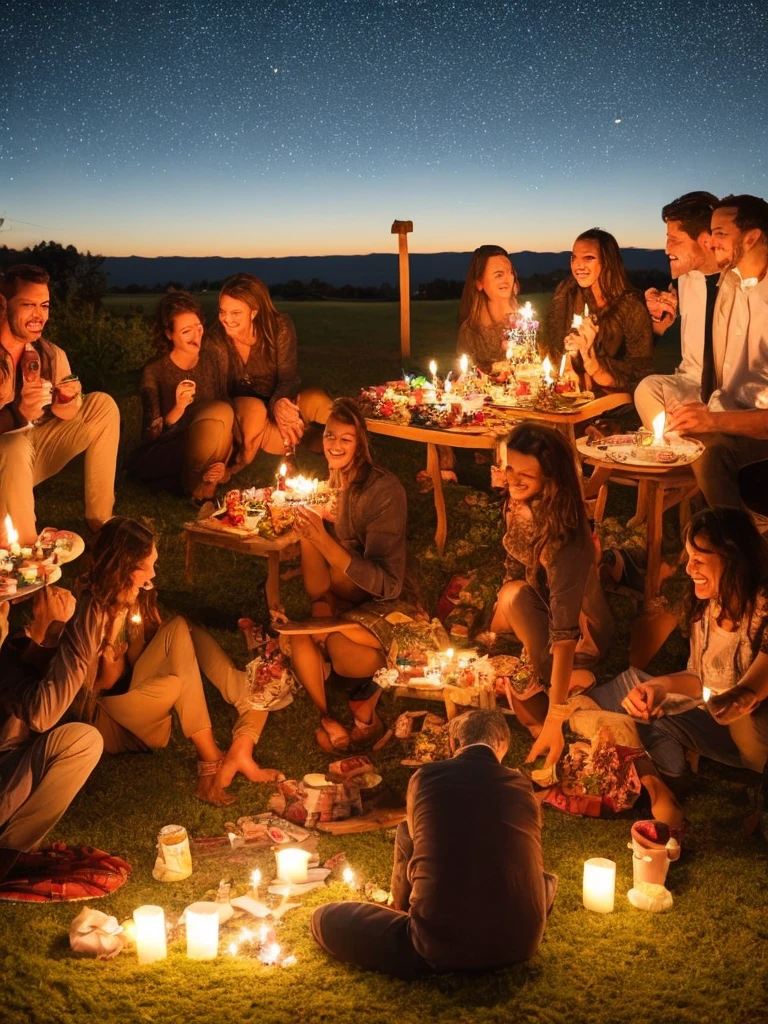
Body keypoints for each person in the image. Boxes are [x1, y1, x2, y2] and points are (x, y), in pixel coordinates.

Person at [311, 709, 556, 979]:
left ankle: (401, 908)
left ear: (453, 744)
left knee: (325, 918)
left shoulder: (426, 777)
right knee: (544, 879)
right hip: (522, 942)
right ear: (503, 746)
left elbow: (414, 839)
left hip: (439, 947)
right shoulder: (522, 785)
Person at [581, 507, 768, 829]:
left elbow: (751, 690)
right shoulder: (709, 605)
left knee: (627, 703)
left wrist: (713, 701)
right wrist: (660, 689)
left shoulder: (763, 608)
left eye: (699, 558)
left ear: (732, 559)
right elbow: (699, 676)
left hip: (756, 734)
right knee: (634, 687)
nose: (688, 566)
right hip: (720, 720)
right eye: (689, 555)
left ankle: (655, 769)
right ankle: (668, 772)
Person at [286, 397, 409, 752]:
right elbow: (320, 584)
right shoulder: (334, 483)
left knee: (333, 641)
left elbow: (388, 584)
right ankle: (326, 714)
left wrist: (322, 540)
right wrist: (312, 528)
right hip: (339, 598)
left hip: (380, 603)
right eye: (329, 436)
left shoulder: (383, 492)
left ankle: (364, 708)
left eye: (345, 438)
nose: (334, 445)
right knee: (299, 632)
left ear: (361, 444)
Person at [488, 423, 613, 761]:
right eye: (509, 467)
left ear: (550, 478)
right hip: (540, 610)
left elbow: (565, 633)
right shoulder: (521, 507)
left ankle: (563, 700)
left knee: (512, 597)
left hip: (580, 634)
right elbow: (514, 569)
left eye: (524, 474)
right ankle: (556, 697)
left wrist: (554, 721)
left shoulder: (565, 536)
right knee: (508, 599)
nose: (511, 479)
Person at [0, 265, 120, 545]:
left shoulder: (50, 354)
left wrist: (66, 398)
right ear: (4, 305)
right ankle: (29, 551)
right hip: (7, 456)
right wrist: (18, 414)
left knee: (103, 405)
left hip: (30, 454)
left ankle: (100, 526)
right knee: (13, 445)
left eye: (44, 305)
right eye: (28, 305)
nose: (39, 315)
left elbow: (69, 414)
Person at [667, 194, 768, 512]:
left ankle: (737, 548)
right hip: (740, 422)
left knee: (709, 452)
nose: (711, 243)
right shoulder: (732, 289)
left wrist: (713, 420)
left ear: (751, 237)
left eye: (720, 234)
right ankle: (706, 539)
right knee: (692, 437)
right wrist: (700, 412)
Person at [0, 586, 102, 880]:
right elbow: (38, 712)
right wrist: (47, 636)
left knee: (83, 741)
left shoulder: (10, 644)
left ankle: (12, 849)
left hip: (9, 764)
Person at [214, 273, 332, 472]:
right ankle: (237, 463)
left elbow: (289, 378)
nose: (227, 319)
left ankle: (344, 446)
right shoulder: (217, 339)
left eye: (235, 313)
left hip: (279, 402)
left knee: (318, 401)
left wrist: (279, 404)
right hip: (246, 413)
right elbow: (219, 393)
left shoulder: (279, 327)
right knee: (256, 411)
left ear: (253, 312)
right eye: (222, 312)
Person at [129, 291, 237, 503]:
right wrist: (178, 408)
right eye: (186, 331)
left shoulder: (212, 360)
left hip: (211, 441)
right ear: (169, 334)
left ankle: (208, 481)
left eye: (198, 328)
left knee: (222, 413)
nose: (196, 336)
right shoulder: (156, 372)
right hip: (169, 449)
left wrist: (228, 454)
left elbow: (226, 404)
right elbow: (151, 435)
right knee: (216, 415)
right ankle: (197, 487)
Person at [634, 191, 720, 429]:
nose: (666, 249)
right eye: (667, 238)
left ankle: (673, 445)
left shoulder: (740, 284)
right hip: (691, 383)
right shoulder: (686, 281)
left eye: (675, 240)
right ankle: (669, 447)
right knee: (648, 389)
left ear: (705, 240)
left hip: (734, 393)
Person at [543, 228, 653, 392]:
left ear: (607, 261)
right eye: (574, 258)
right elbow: (553, 341)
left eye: (588, 258)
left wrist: (595, 367)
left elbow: (640, 372)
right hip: (571, 385)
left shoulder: (631, 307)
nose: (578, 265)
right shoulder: (568, 292)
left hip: (614, 394)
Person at [456, 245, 520, 372]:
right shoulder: (471, 333)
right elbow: (467, 376)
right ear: (479, 283)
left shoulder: (527, 323)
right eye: (498, 275)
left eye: (510, 272)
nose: (507, 279)